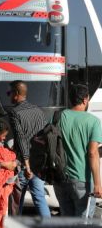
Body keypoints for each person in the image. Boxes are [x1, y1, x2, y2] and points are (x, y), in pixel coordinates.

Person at [54, 84, 102, 217]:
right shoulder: (93, 121)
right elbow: (92, 153)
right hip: (82, 180)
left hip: (60, 178)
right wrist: (98, 184)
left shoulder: (59, 117)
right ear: (85, 100)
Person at [7, 80, 51, 217]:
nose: (8, 96)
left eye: (10, 93)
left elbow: (21, 139)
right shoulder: (38, 110)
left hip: (23, 164)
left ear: (17, 93)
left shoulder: (14, 112)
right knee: (39, 199)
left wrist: (26, 165)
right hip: (38, 164)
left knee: (16, 201)